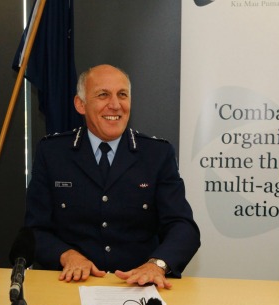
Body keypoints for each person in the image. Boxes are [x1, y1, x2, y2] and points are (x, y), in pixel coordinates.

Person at [21, 64, 200, 289]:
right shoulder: (53, 153)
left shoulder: (156, 154)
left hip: (138, 285)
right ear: (81, 104)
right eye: (103, 95)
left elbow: (183, 227)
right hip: (71, 285)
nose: (115, 105)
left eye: (122, 95)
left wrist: (157, 265)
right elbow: (34, 229)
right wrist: (66, 255)